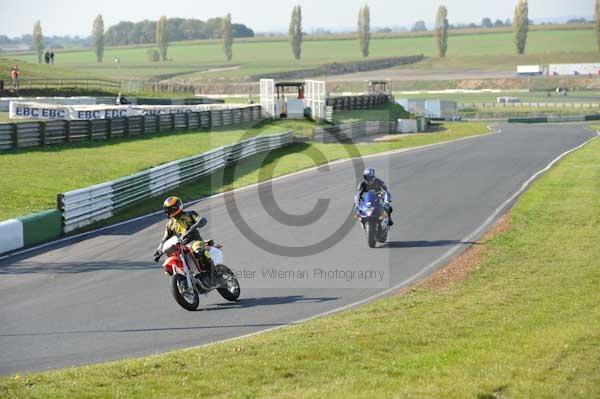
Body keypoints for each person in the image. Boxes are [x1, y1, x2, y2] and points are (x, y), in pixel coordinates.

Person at [154, 196, 210, 271]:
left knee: (198, 252)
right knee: (169, 268)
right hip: (180, 246)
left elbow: (200, 220)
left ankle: (211, 271)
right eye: (167, 210)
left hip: (194, 240)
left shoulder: (190, 214)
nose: (169, 212)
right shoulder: (170, 224)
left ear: (176, 207)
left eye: (170, 209)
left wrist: (199, 223)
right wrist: (159, 249)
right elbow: (165, 238)